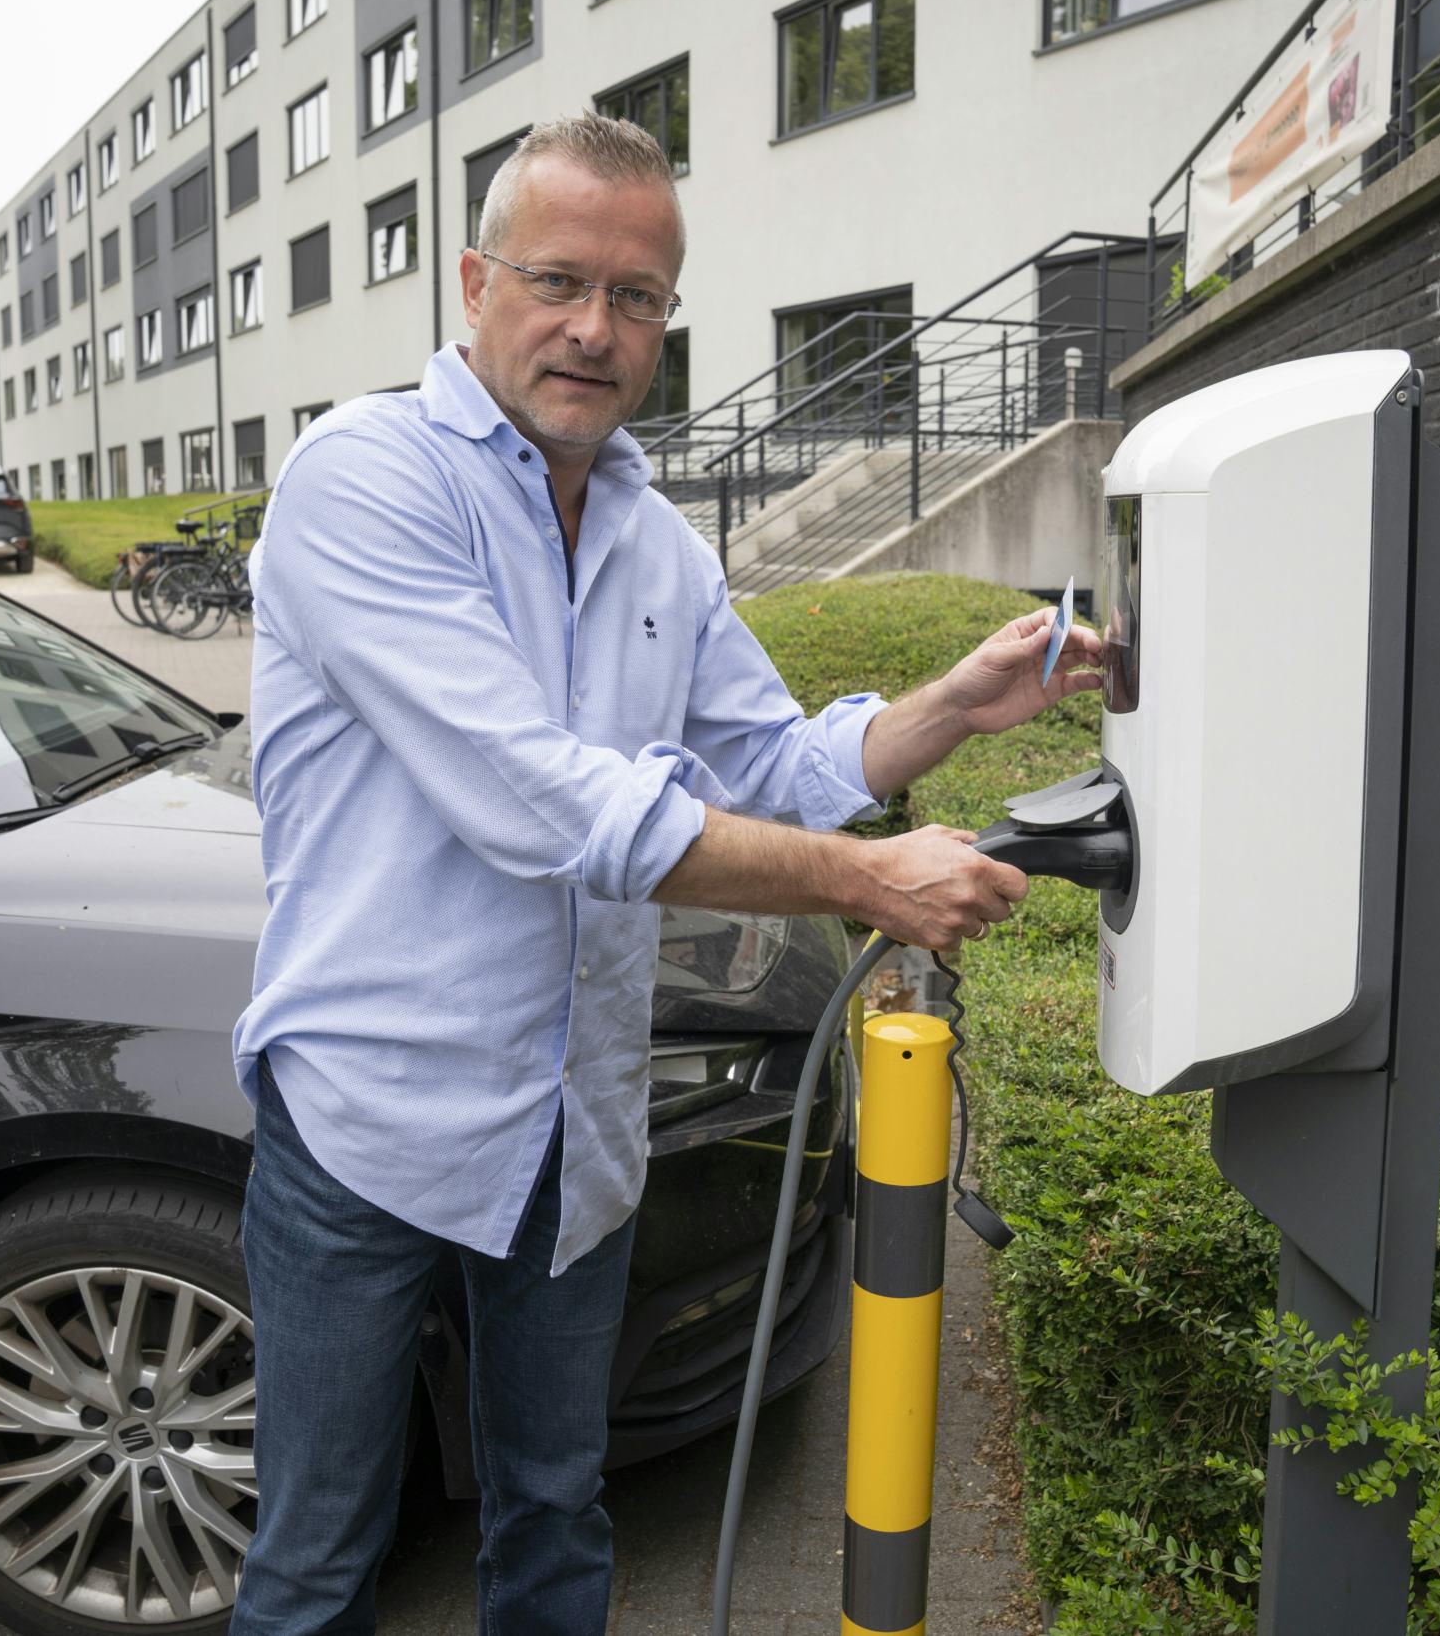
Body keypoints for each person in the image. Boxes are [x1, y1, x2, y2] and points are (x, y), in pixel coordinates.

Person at [228, 112, 1102, 1635]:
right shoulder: (362, 480)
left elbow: (770, 757)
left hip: (575, 1125)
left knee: (558, 1516)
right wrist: (867, 881)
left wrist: (954, 703)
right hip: (365, 1125)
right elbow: (542, 805)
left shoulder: (652, 538)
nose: (594, 328)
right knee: (315, 1564)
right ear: (473, 281)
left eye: (639, 298)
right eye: (559, 279)